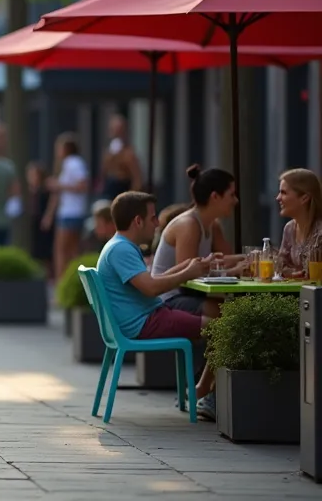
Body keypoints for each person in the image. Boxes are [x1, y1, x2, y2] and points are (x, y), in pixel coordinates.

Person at [97, 191, 218, 418]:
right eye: (153, 218)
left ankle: (203, 391)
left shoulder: (119, 245)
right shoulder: (121, 249)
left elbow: (150, 279)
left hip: (146, 318)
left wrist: (187, 268)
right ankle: (204, 394)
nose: (157, 224)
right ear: (138, 221)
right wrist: (187, 274)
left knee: (215, 322)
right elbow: (151, 288)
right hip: (145, 323)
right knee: (223, 329)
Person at [151, 166, 238, 318]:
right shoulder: (188, 224)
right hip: (168, 299)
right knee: (227, 311)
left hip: (192, 295)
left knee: (237, 307)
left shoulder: (213, 224)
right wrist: (233, 270)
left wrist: (245, 259)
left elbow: (223, 260)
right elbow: (188, 277)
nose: (236, 201)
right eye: (232, 195)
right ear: (215, 196)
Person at [46, 133, 89, 283]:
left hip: (72, 212)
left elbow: (82, 185)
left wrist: (59, 185)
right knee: (71, 251)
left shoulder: (73, 163)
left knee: (63, 251)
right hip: (68, 212)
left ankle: (63, 284)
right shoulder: (68, 164)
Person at [276, 168, 322, 276]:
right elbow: (280, 265)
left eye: (283, 193)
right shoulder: (289, 228)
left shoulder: (320, 232)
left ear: (304, 198)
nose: (278, 198)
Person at [100, 115, 143, 201]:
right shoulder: (109, 151)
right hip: (110, 190)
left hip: (123, 189)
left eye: (119, 130)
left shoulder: (129, 154)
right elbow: (104, 171)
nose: (115, 132)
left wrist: (131, 197)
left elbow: (137, 178)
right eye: (113, 129)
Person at [27, 162, 55, 276]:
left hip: (44, 223)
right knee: (37, 251)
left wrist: (48, 216)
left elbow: (52, 202)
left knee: (46, 252)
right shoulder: (34, 190)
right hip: (36, 222)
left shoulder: (46, 189)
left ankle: (50, 275)